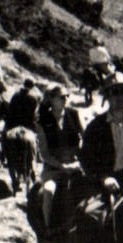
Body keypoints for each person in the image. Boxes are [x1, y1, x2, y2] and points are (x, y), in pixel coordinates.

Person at [35, 84, 83, 228]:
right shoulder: (42, 122)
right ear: (51, 99)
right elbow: (44, 154)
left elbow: (85, 138)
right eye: (61, 97)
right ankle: (48, 230)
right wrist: (62, 166)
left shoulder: (74, 114)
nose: (66, 99)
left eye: (67, 96)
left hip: (76, 166)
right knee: (49, 191)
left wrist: (79, 161)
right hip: (54, 169)